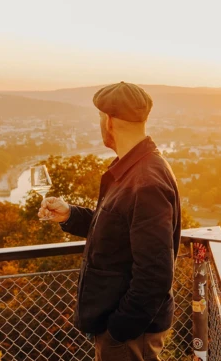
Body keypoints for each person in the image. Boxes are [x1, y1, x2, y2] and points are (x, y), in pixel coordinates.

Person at [39, 82, 182, 361]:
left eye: (100, 118)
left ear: (110, 120)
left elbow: (155, 274)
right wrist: (70, 214)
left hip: (129, 335)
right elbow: (118, 229)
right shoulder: (135, 168)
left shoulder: (145, 182)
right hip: (124, 330)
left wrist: (118, 329)